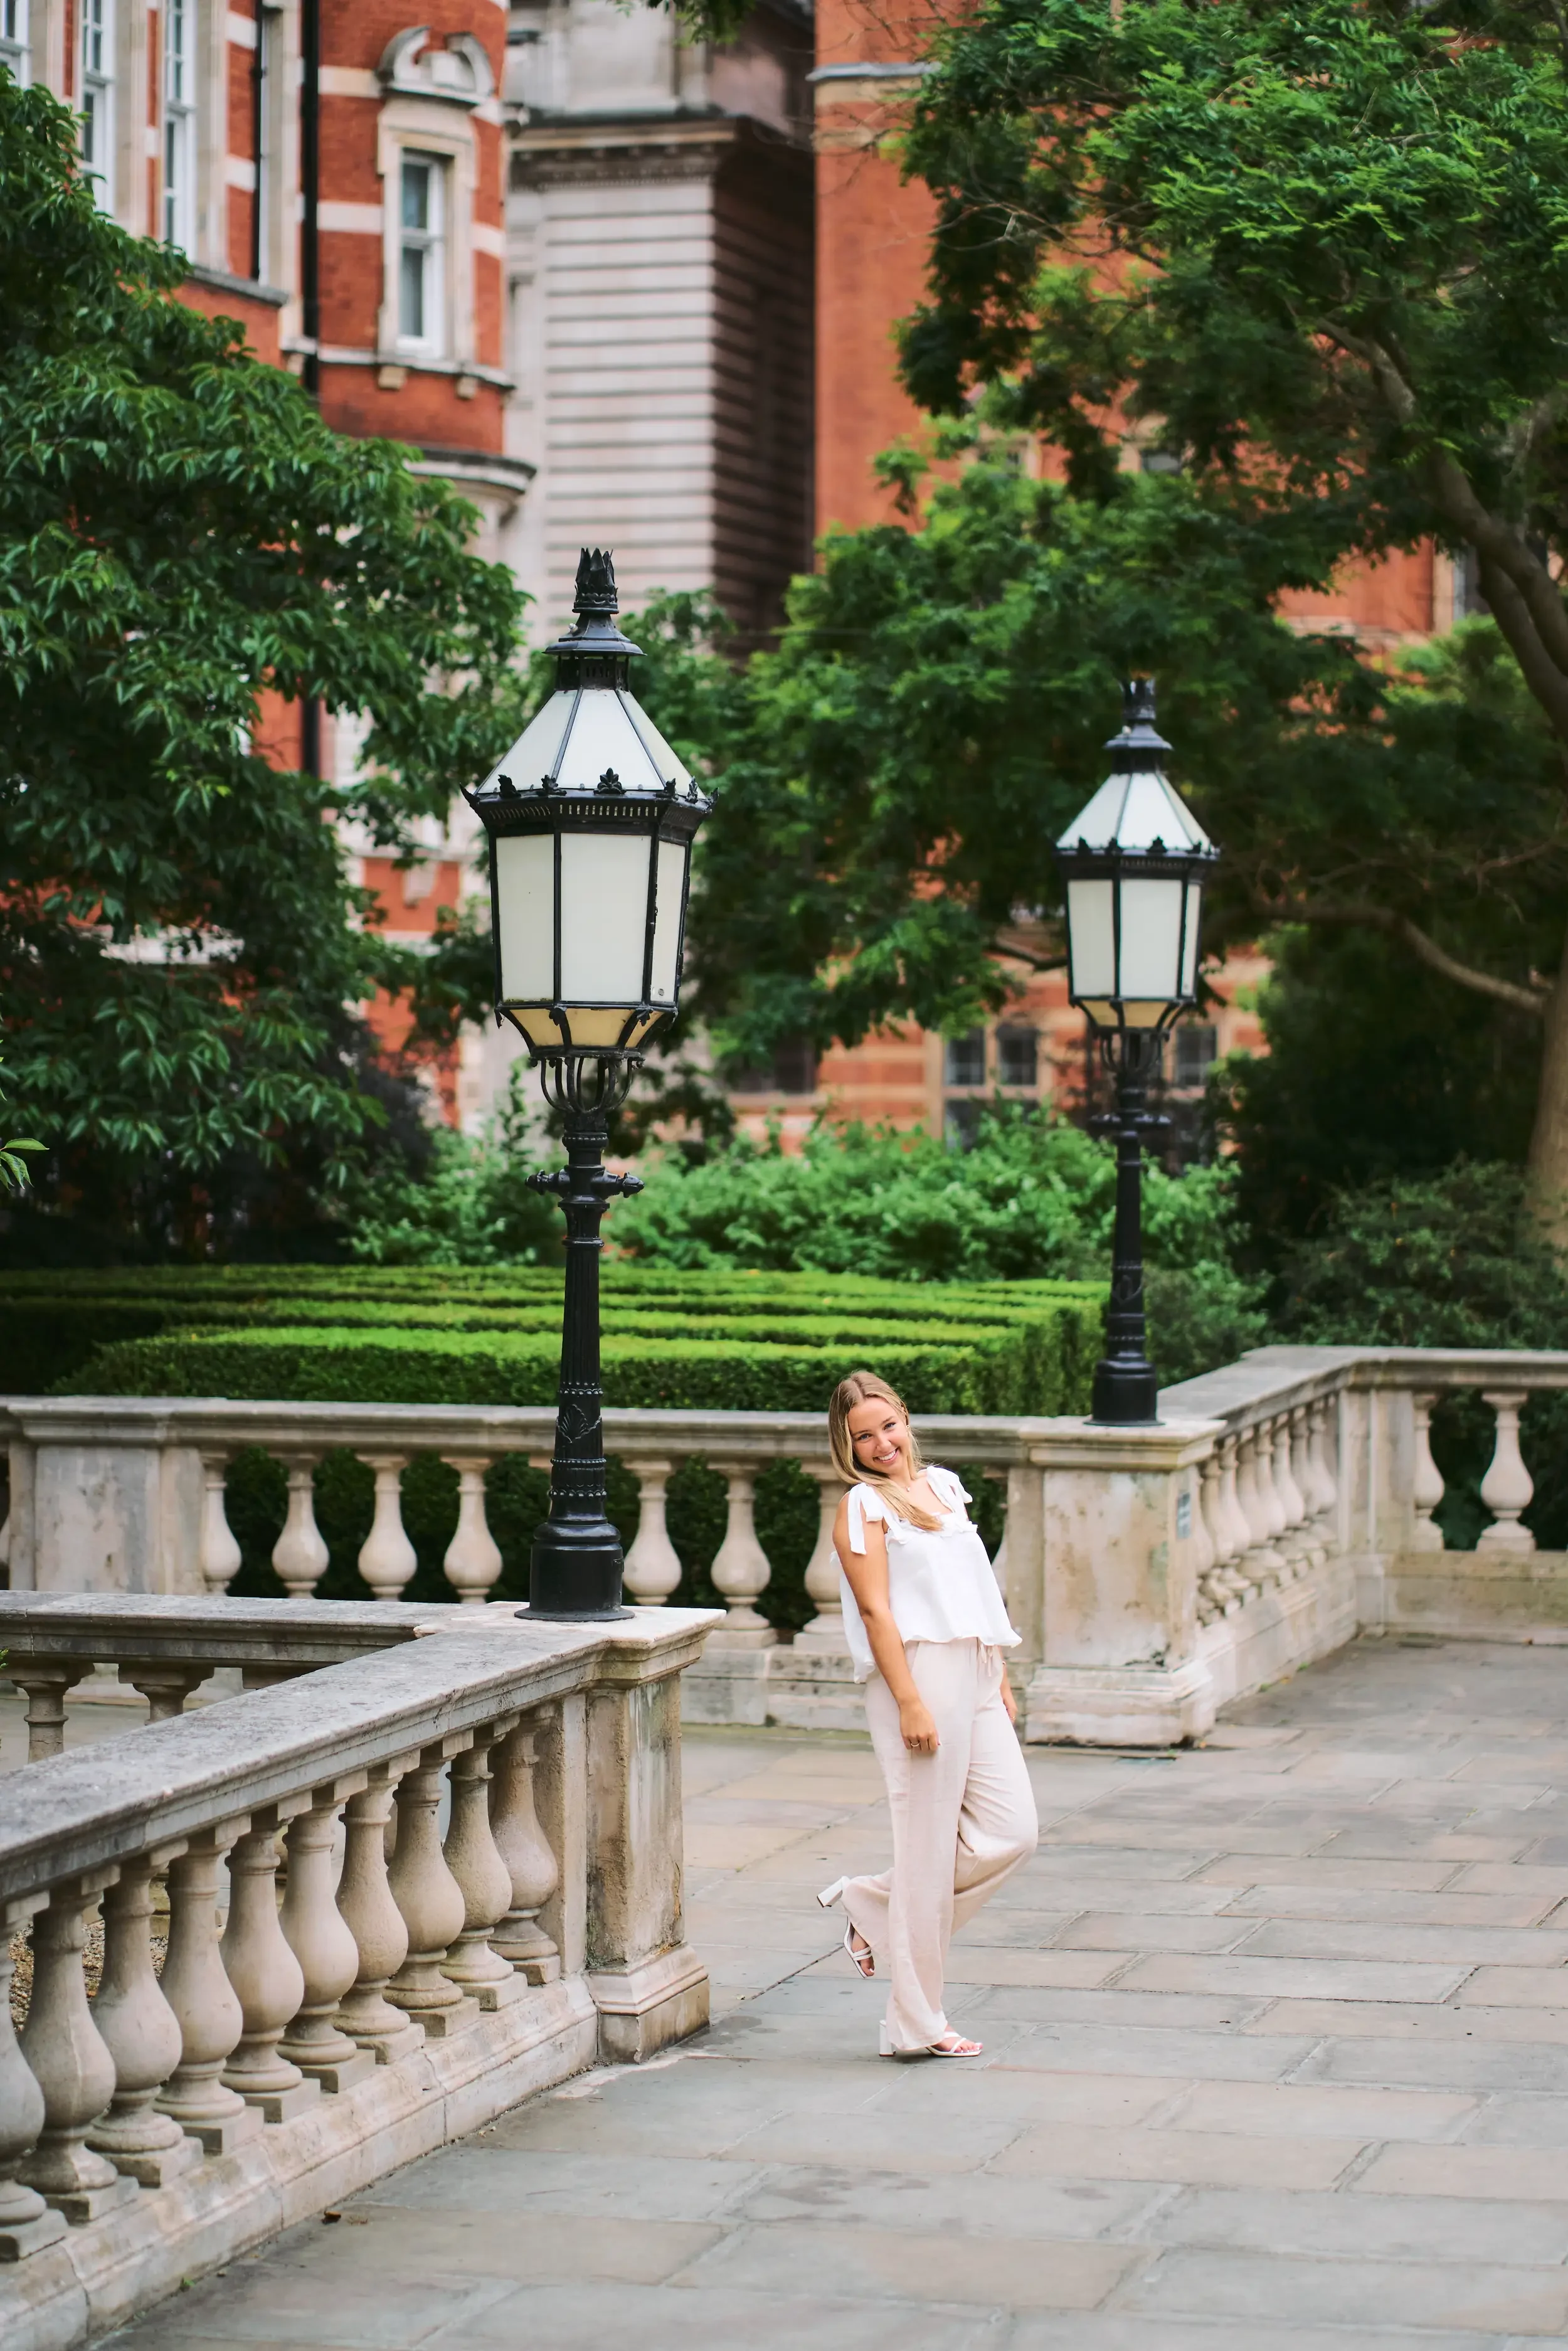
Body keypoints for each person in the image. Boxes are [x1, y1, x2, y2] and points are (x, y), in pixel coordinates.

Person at [816, 1369, 1039, 2058]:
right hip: (916, 1675)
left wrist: (996, 1667)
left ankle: (871, 1906)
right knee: (926, 1846)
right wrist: (909, 1697)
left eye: (888, 1426)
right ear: (847, 1447)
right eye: (864, 1436)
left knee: (1014, 1831)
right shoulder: (860, 1506)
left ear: (905, 1420)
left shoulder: (942, 1486)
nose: (881, 1443)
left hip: (974, 1667)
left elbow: (976, 1583)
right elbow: (878, 1609)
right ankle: (915, 2024)